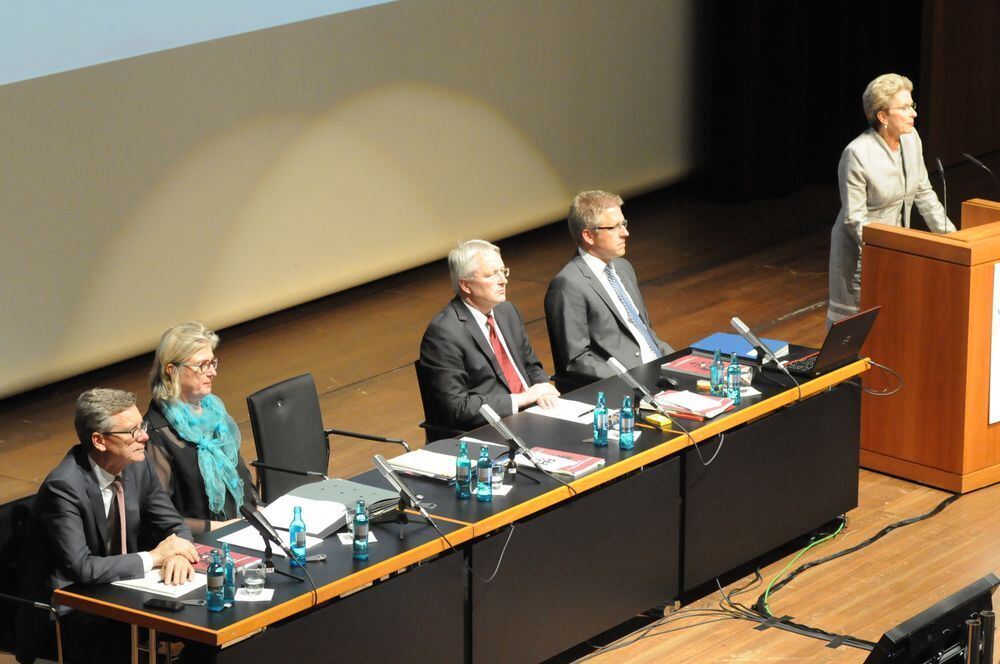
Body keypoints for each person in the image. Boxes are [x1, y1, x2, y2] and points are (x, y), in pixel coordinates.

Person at [16, 388, 197, 664]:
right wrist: (155, 557)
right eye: (133, 431)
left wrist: (180, 554)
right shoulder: (64, 487)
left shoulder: (137, 466)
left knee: (201, 627)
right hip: (70, 610)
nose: (145, 436)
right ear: (99, 441)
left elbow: (174, 525)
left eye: (142, 426)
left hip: (122, 592)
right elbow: (82, 568)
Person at [828, 73, 955, 325]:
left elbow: (924, 193)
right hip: (862, 254)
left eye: (912, 106)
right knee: (857, 328)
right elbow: (855, 220)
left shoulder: (911, 140)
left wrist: (954, 241)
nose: (913, 113)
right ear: (883, 116)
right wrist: (887, 253)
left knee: (894, 322)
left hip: (896, 247)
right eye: (904, 108)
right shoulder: (857, 154)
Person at [419, 239, 559, 432]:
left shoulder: (507, 311)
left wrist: (543, 390)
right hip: (492, 429)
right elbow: (457, 408)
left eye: (503, 271)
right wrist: (522, 398)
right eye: (492, 275)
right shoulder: (444, 334)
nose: (503, 280)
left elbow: (530, 366)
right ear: (466, 285)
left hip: (535, 414)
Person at [544, 190, 673, 391]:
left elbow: (643, 332)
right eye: (614, 227)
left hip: (658, 371)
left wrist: (677, 360)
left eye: (624, 224)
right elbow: (575, 360)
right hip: (624, 387)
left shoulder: (623, 267)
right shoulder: (568, 285)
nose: (625, 233)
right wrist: (632, 379)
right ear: (588, 235)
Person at [146, 322, 259, 536]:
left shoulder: (215, 413)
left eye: (213, 363)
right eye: (202, 365)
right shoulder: (157, 434)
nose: (213, 372)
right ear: (172, 371)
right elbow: (159, 519)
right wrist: (223, 528)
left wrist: (260, 511)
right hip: (201, 543)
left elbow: (242, 479)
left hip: (243, 530)